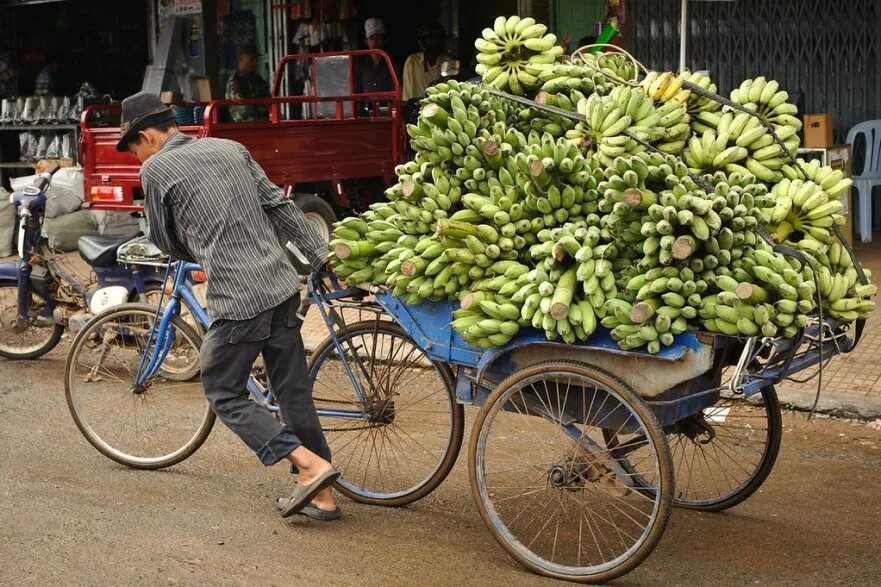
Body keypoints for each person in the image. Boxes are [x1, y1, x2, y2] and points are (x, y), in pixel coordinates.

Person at [116, 91, 341, 521]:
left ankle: (311, 466)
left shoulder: (156, 170)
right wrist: (318, 257)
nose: (135, 157)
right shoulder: (229, 148)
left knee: (222, 390)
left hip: (239, 297)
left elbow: (165, 241)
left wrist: (200, 249)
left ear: (146, 136)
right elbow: (279, 205)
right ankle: (323, 497)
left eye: (133, 148)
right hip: (280, 284)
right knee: (292, 392)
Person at [402, 23, 447, 101]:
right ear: (423, 41)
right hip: (416, 108)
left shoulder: (447, 62)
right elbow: (406, 92)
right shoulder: (412, 61)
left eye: (436, 39)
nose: (434, 42)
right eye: (430, 39)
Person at [225, 43, 270, 122]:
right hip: (242, 127)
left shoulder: (259, 80)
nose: (255, 62)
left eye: (256, 59)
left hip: (262, 125)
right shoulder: (235, 81)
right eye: (251, 59)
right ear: (241, 59)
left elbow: (269, 103)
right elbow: (243, 110)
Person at [356, 18, 394, 94]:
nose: (375, 41)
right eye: (371, 38)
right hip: (368, 105)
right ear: (366, 42)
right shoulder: (361, 67)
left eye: (378, 37)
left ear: (384, 41)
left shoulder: (392, 64)